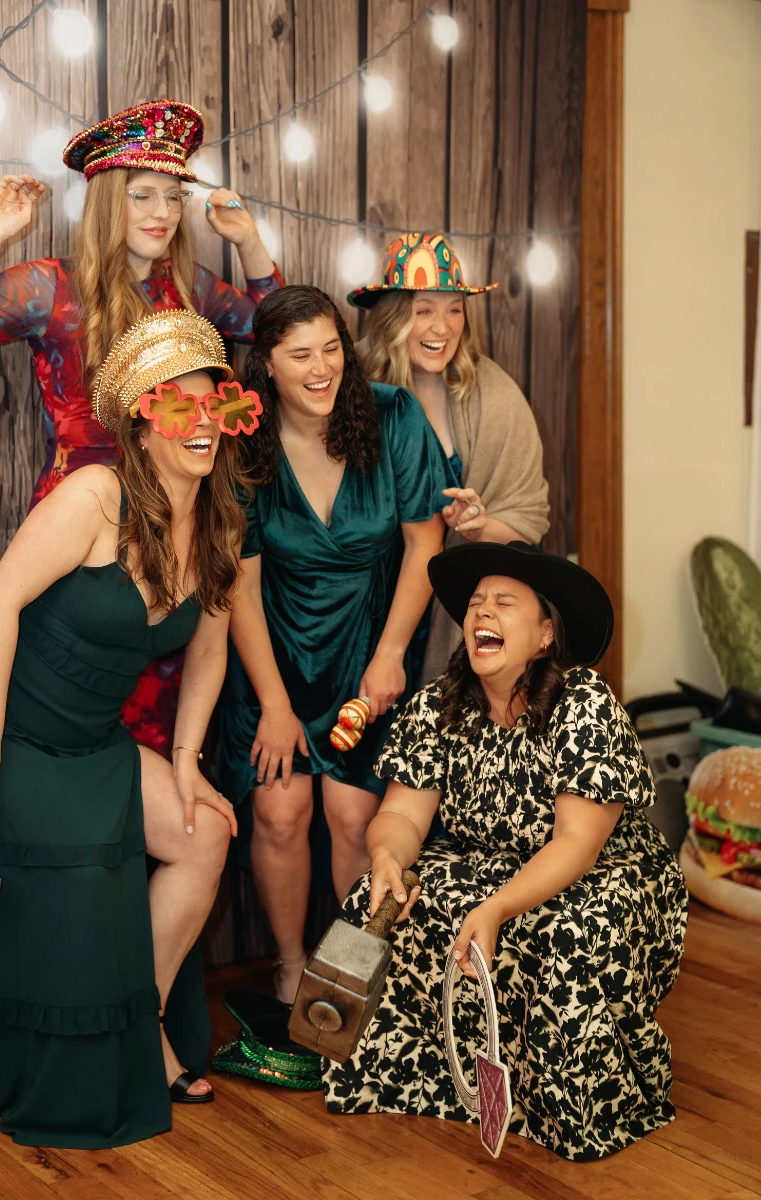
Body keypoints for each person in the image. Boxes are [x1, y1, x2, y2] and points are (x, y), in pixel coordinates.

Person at [0, 310, 258, 1148]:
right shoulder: (96, 495)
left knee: (205, 835)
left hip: (90, 740)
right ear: (141, 420)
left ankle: (144, 1019)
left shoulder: (224, 520)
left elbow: (208, 652)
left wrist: (190, 762)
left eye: (217, 405)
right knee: (87, 872)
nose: (202, 424)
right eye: (179, 407)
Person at [0, 98, 284, 758]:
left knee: (152, 741)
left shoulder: (191, 288)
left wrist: (251, 245)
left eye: (173, 197)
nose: (161, 213)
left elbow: (282, 335)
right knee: (65, 719)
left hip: (174, 529)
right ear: (106, 201)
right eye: (142, 196)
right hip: (84, 528)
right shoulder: (48, 287)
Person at [322, 541, 689, 1160]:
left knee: (566, 927)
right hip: (490, 861)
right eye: (474, 604)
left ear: (546, 634)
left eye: (504, 603)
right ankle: (434, 1079)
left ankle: (568, 1099)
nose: (481, 613)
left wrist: (492, 910)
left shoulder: (584, 704)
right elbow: (402, 816)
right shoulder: (439, 705)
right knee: (383, 896)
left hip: (606, 875)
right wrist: (386, 857)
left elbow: (576, 842)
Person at [217, 284, 456, 1004]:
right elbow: (241, 585)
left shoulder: (394, 414)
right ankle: (292, 969)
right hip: (276, 652)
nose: (321, 369)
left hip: (370, 648)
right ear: (266, 364)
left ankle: (353, 975)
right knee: (279, 811)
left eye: (332, 351)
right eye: (300, 356)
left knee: (356, 816)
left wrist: (390, 657)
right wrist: (273, 702)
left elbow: (425, 545)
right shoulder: (243, 436)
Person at [350, 232, 550, 681]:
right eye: (424, 311)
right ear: (393, 318)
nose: (442, 328)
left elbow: (527, 521)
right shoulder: (352, 390)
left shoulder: (495, 396)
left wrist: (480, 527)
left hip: (455, 616)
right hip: (364, 610)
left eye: (454, 309)